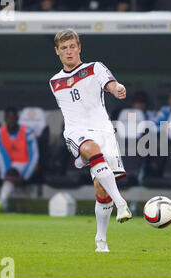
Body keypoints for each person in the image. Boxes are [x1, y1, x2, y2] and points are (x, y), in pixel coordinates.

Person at [49, 29, 132, 253]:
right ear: (57, 51)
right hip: (76, 132)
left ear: (79, 48)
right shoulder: (54, 82)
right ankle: (122, 203)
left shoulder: (95, 68)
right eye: (64, 48)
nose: (68, 52)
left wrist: (118, 89)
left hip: (104, 130)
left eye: (72, 47)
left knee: (101, 187)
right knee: (92, 149)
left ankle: (100, 240)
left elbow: (110, 84)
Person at [0, 107, 39, 213]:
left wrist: (26, 175)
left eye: (13, 117)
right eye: (8, 118)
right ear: (4, 119)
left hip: (22, 163)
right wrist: (3, 174)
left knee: (11, 172)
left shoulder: (28, 132)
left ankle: (1, 203)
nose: (11, 120)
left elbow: (34, 156)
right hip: (5, 162)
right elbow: (1, 154)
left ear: (17, 118)